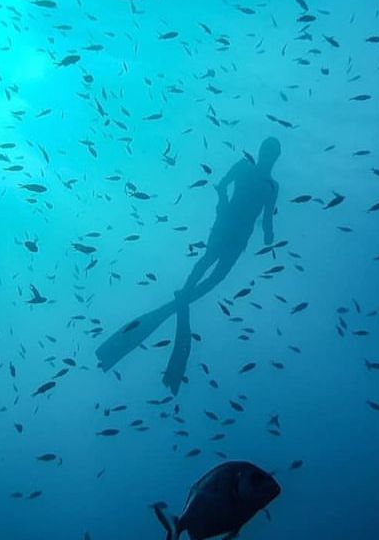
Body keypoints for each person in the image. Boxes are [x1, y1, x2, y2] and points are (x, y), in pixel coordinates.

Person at [95, 137, 281, 394]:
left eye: (273, 153)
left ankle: (180, 304)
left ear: (275, 157)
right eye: (268, 151)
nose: (269, 156)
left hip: (239, 238)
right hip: (226, 228)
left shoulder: (272, 186)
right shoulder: (245, 167)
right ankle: (181, 306)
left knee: (212, 280)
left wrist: (269, 236)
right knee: (203, 267)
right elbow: (221, 187)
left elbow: (267, 216)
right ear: (263, 152)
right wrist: (223, 208)